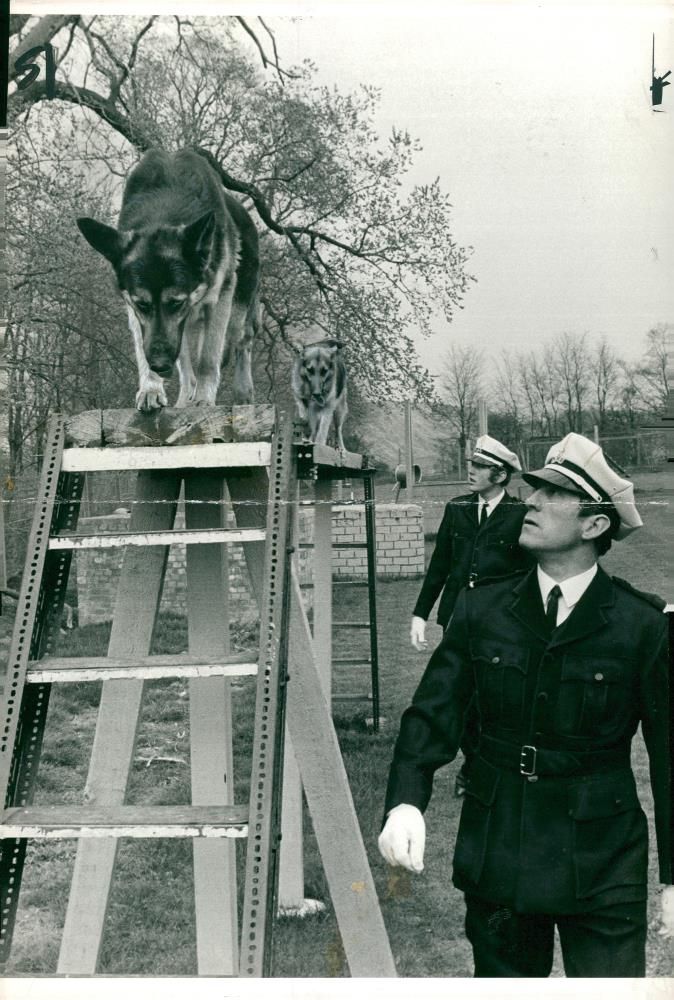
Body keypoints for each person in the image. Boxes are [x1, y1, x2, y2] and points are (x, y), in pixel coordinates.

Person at [380, 432, 673, 977]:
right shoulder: (482, 610)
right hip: (501, 849)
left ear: (595, 524)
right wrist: (405, 801)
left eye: (553, 493)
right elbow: (433, 713)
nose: (531, 501)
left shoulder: (642, 627)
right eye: (534, 488)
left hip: (602, 861)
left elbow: (670, 758)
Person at [410, 434, 533, 795]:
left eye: (480, 467)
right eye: (472, 464)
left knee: (492, 697)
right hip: (457, 620)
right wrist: (420, 614)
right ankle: (473, 763)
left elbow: (529, 574)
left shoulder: (519, 514)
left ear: (500, 475)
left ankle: (480, 767)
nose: (471, 471)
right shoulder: (457, 509)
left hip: (502, 623)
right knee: (458, 694)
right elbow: (439, 567)